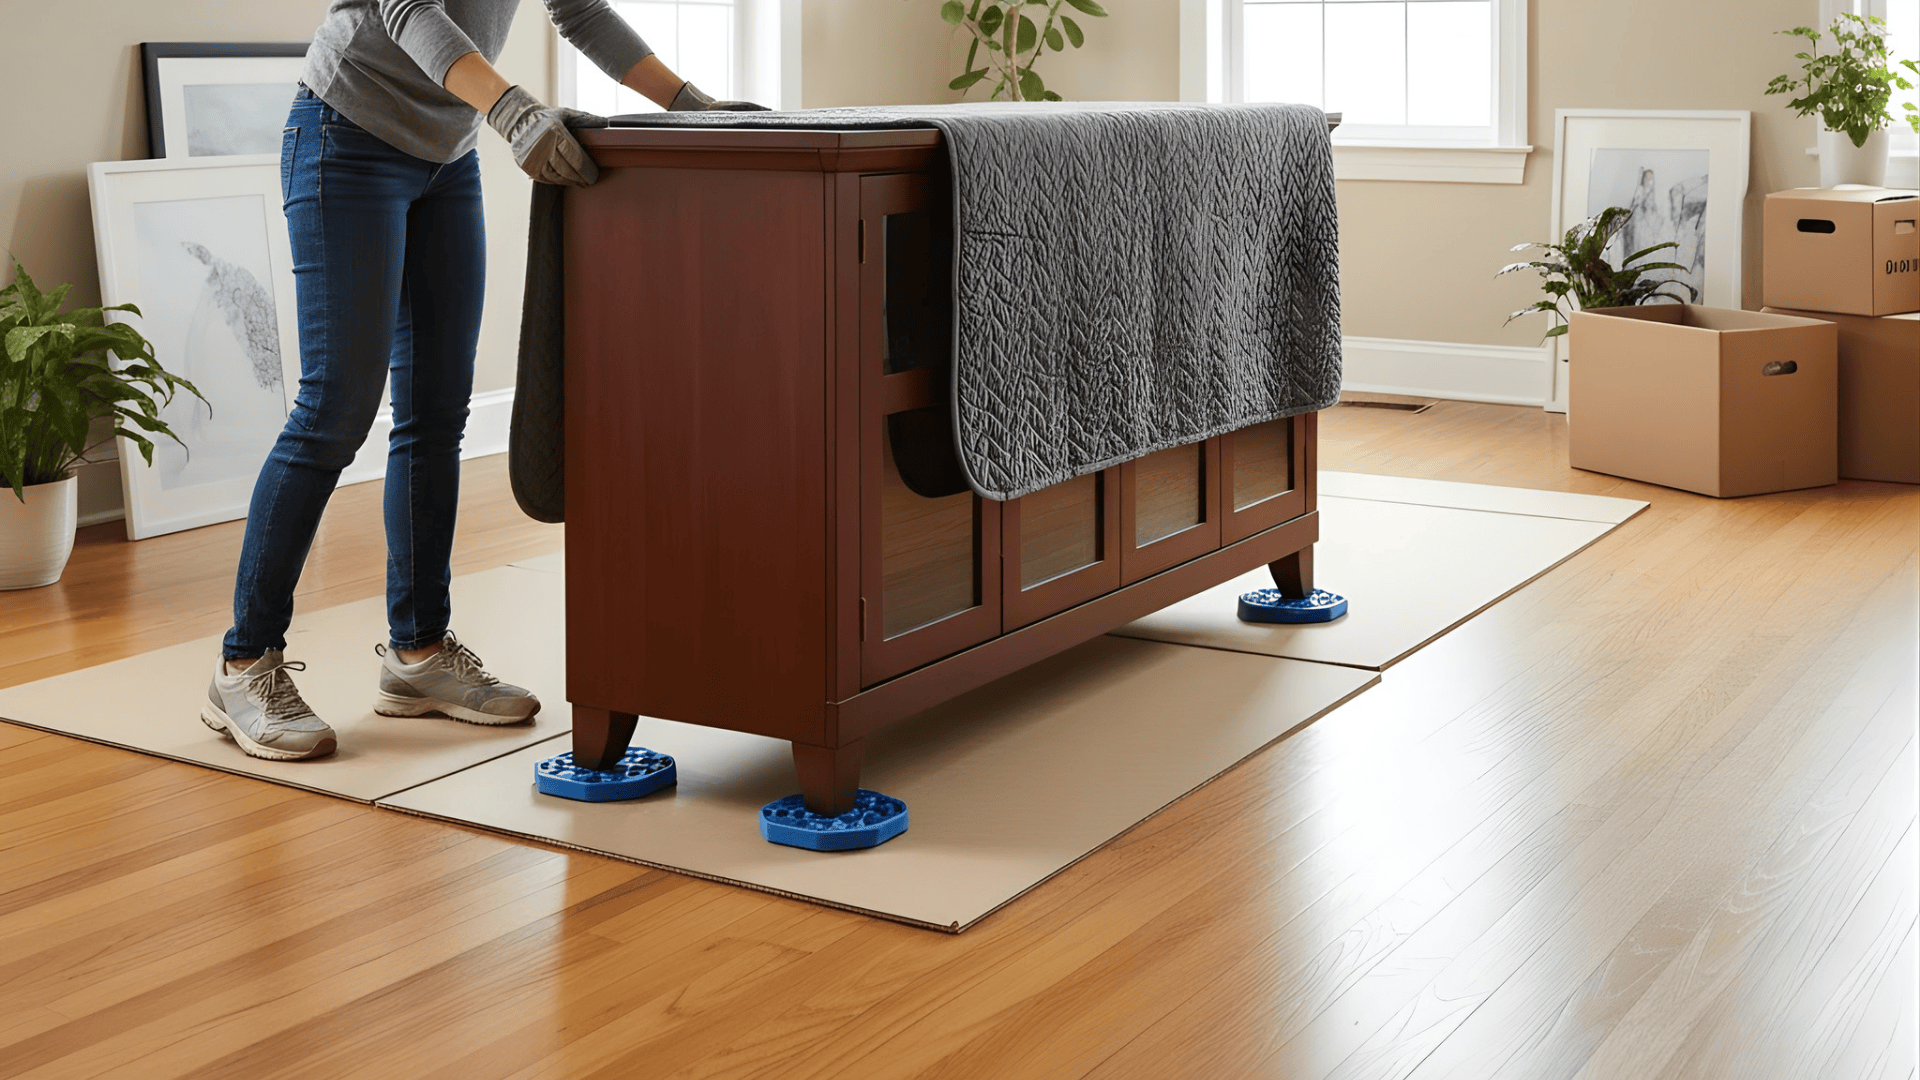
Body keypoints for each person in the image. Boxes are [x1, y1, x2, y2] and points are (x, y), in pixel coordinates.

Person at [201, 0, 765, 761]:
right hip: (348, 135)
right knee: (335, 410)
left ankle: (420, 653)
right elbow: (406, 8)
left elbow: (582, 11)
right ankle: (244, 663)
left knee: (437, 413)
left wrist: (689, 105)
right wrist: (513, 111)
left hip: (447, 154)